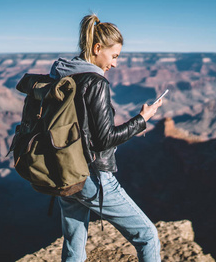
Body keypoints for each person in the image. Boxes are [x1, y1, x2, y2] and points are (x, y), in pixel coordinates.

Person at [49, 14, 162, 262]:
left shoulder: (63, 74)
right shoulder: (95, 82)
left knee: (74, 245)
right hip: (92, 175)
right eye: (114, 56)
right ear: (97, 48)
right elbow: (103, 140)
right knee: (148, 236)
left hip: (64, 170)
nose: (115, 64)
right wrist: (142, 120)